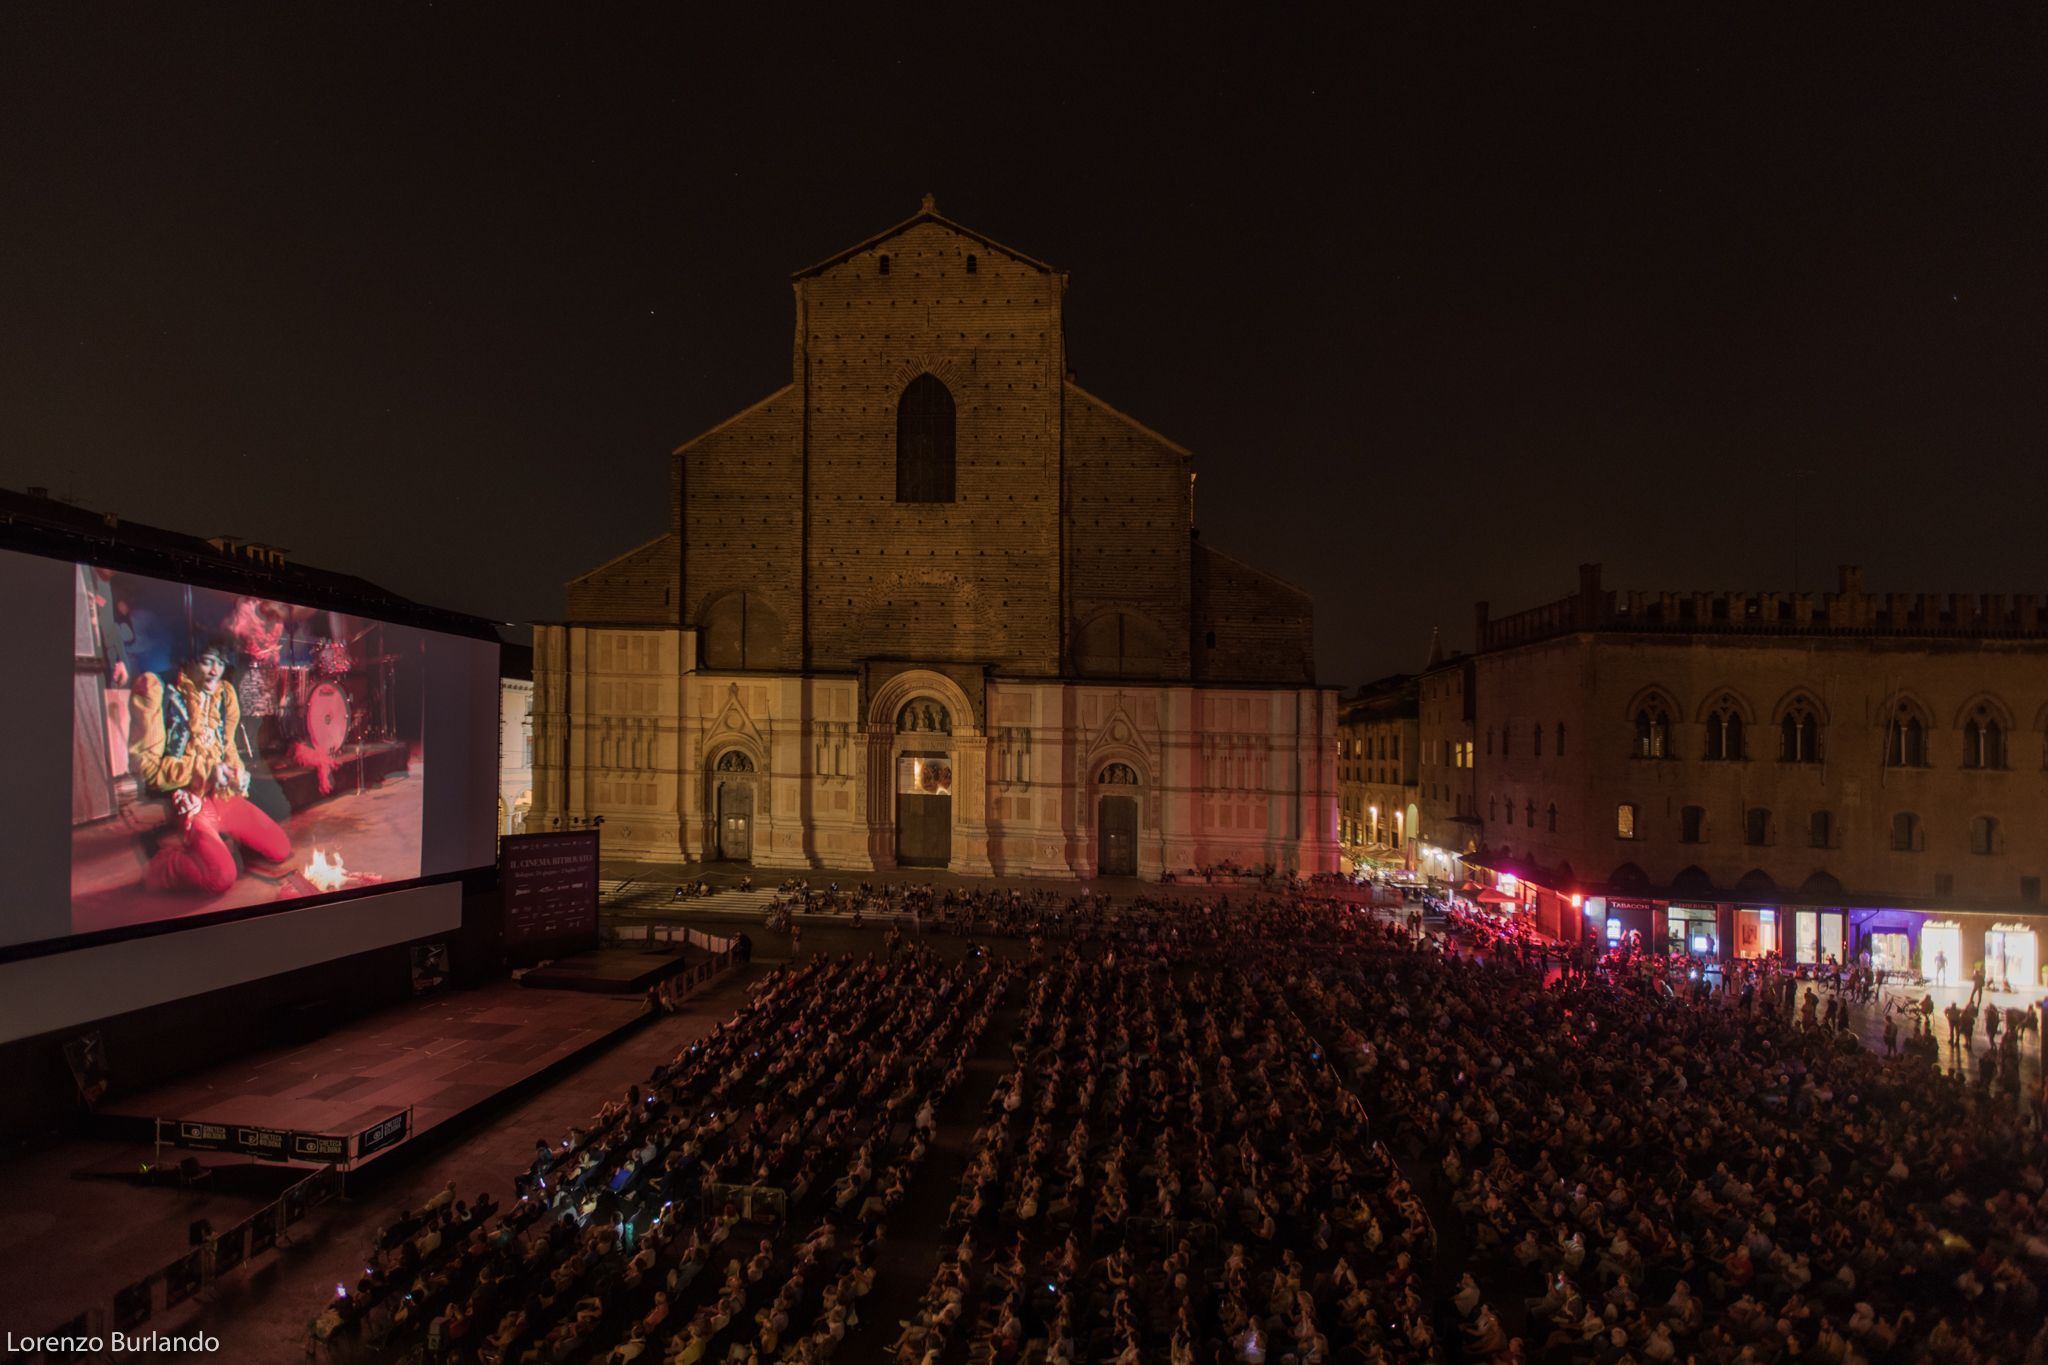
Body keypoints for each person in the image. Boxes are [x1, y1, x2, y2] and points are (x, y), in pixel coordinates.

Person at [129, 636, 292, 894]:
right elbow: (147, 769)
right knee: (219, 877)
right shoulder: (157, 689)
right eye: (206, 662)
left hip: (223, 797)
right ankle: (161, 866)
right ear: (188, 661)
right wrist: (203, 771)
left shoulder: (224, 694)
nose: (215, 670)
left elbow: (228, 749)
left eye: (219, 662)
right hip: (191, 800)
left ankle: (219, 846)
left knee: (280, 848)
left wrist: (237, 772)